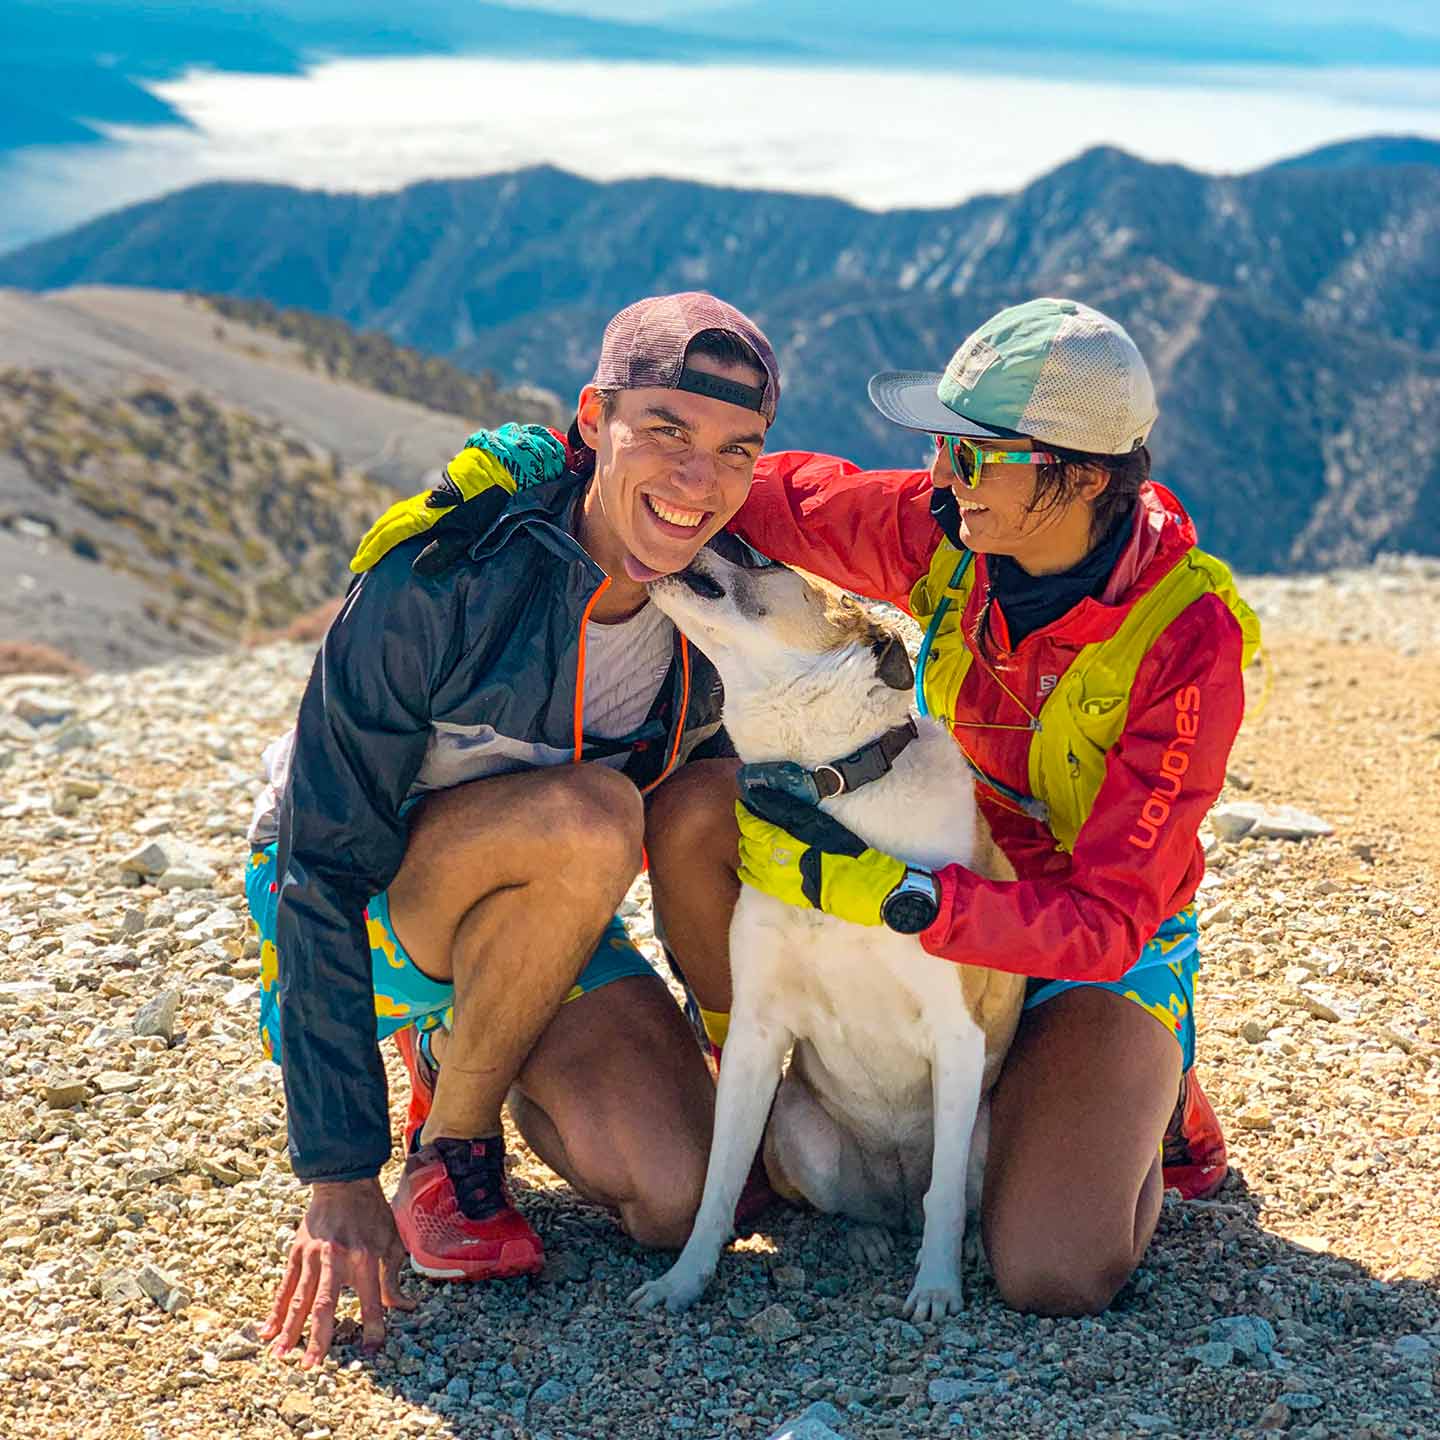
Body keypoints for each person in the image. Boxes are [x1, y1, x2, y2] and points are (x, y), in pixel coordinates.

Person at [242, 292, 781, 1366]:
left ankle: (476, 1038)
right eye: (666, 431)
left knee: (685, 1201)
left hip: (543, 903)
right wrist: (337, 1171)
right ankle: (449, 1147)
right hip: (370, 900)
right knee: (595, 814)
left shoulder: (717, 604)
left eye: (735, 450)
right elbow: (317, 864)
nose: (697, 480)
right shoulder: (445, 570)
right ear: (594, 419)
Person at [718, 297, 1260, 1316]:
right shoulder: (948, 535)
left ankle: (1149, 1091)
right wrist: (606, 450)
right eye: (940, 443)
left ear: (1086, 476)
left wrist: (909, 899)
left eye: (974, 456)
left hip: (1077, 950)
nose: (938, 477)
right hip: (942, 888)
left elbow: (1106, 921)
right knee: (713, 815)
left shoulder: (1188, 638)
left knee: (1051, 1272)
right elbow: (771, 497)